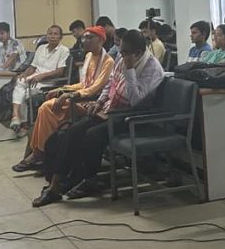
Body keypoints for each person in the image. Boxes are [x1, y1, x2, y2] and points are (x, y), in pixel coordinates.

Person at [32, 30, 164, 206]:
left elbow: (135, 100)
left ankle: (88, 180)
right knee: (72, 131)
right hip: (111, 110)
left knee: (91, 135)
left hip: (131, 117)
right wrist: (100, 102)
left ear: (139, 53)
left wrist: (130, 69)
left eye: (126, 53)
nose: (121, 55)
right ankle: (58, 184)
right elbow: (111, 83)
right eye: (121, 50)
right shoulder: (122, 57)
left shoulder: (152, 68)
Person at [12, 26, 113, 173]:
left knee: (47, 108)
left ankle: (39, 154)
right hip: (80, 97)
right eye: (84, 37)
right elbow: (83, 84)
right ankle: (41, 153)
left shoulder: (108, 61)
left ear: (101, 40)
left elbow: (94, 89)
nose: (84, 40)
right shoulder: (89, 57)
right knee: (45, 108)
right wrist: (62, 89)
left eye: (89, 38)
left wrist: (69, 95)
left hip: (90, 102)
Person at [9, 25, 71, 134]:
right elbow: (32, 67)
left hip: (49, 82)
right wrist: (24, 74)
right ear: (47, 36)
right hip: (34, 78)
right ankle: (17, 117)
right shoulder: (41, 48)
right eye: (50, 34)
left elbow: (60, 72)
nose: (52, 36)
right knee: (20, 81)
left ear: (60, 37)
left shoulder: (64, 50)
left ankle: (21, 122)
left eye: (55, 34)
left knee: (22, 93)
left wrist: (41, 76)